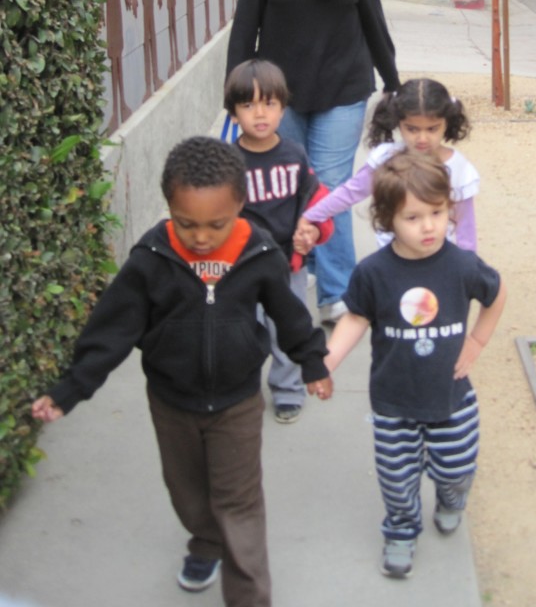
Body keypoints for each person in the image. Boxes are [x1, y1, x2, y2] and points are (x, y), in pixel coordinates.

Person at [31, 136, 333, 607]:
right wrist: (71, 388)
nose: (200, 237)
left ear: (240, 204)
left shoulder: (258, 254)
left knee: (239, 502)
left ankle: (249, 596)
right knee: (188, 493)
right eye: (186, 222)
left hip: (236, 401)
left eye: (216, 224)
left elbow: (288, 312)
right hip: (172, 403)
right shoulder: (152, 259)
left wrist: (311, 360)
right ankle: (205, 541)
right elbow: (112, 330)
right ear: (169, 205)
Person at [226, 0, 400, 325]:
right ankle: (285, 281)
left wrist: (395, 84)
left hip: (343, 89)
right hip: (277, 96)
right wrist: (236, 93)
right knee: (286, 190)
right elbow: (245, 25)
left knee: (332, 189)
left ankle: (335, 293)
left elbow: (374, 24)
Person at [323, 151, 506, 580]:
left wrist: (477, 341)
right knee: (396, 477)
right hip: (394, 400)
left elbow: (496, 295)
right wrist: (326, 362)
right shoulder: (373, 273)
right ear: (386, 221)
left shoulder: (462, 265)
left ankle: (451, 497)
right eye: (413, 217)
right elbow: (356, 317)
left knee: (458, 466)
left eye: (437, 213)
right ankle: (401, 530)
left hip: (452, 396)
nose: (428, 226)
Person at [224, 58, 334, 424]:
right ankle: (240, 392)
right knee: (242, 333)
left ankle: (287, 391)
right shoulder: (228, 163)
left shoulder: (294, 155)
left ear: (283, 108)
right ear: (233, 112)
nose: (260, 113)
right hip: (241, 269)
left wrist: (314, 230)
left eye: (269, 103)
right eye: (248, 104)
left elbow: (315, 200)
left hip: (289, 265)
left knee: (288, 328)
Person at [297, 77, 479, 254]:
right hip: (391, 259)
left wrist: (470, 273)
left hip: (440, 261)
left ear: (446, 123)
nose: (422, 138)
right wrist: (311, 215)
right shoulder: (385, 159)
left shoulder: (458, 169)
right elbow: (349, 192)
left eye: (432, 128)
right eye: (412, 129)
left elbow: (465, 230)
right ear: (398, 123)